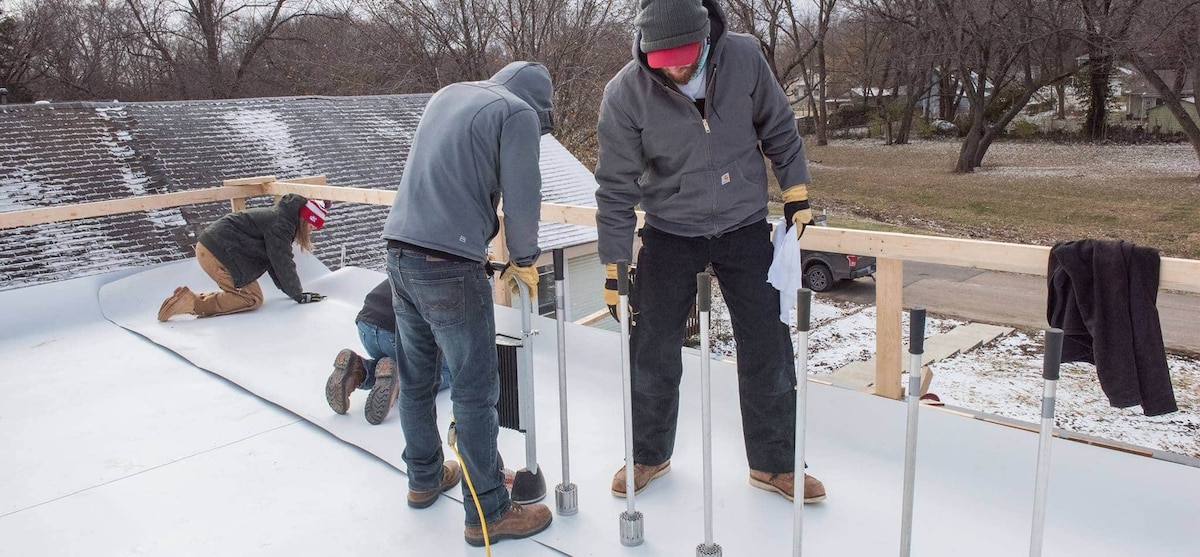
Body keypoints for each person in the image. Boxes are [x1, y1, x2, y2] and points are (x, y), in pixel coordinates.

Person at [594, 0, 827, 504]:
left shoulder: (744, 58)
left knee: (768, 342)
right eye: (664, 62)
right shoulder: (625, 92)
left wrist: (796, 191)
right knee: (652, 345)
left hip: (743, 224)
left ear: (706, 37)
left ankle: (776, 464)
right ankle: (647, 454)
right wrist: (615, 266)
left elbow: (780, 129)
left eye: (684, 57)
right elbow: (615, 189)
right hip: (670, 230)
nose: (676, 70)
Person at [381, 61, 554, 546]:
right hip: (449, 263)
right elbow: (524, 196)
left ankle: (424, 477)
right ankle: (490, 512)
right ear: (538, 104)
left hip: (398, 252)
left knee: (416, 377)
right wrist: (523, 258)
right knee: (474, 390)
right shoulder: (517, 113)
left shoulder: (449, 93)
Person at [158, 193, 329, 321]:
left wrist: (292, 292)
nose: (311, 230)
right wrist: (298, 294)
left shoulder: (281, 220)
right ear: (304, 219)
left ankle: (188, 298)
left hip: (216, 247)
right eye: (312, 226)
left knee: (250, 295)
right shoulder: (281, 225)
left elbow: (274, 262)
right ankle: (191, 303)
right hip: (217, 251)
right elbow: (282, 260)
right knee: (251, 298)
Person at [325, 279, 453, 425]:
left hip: (366, 326)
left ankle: (360, 369)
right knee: (451, 368)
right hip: (398, 335)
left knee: (391, 361)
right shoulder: (463, 278)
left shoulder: (412, 259)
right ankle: (400, 378)